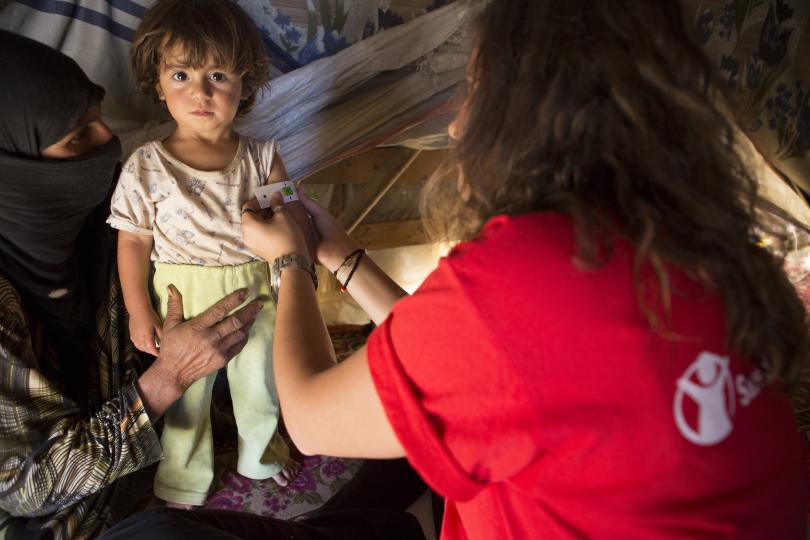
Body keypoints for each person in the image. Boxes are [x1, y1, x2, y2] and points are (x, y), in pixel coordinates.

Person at [101, 0, 809, 538]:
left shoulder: (516, 279)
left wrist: (287, 262)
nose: (454, 124)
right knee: (396, 455)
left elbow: (313, 421)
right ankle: (413, 509)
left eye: (472, 92)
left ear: (522, 117)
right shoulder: (691, 243)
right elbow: (462, 359)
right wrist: (338, 256)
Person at [0, 30, 263, 540]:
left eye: (98, 117)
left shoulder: (103, 219)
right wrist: (166, 381)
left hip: (154, 470)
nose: (108, 142)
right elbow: (24, 487)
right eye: (77, 138)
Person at [106, 0, 303, 508]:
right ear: (157, 82)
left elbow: (290, 219)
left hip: (254, 291)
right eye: (181, 74)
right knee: (185, 393)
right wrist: (137, 310)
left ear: (246, 83)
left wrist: (296, 275)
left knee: (262, 382)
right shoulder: (146, 163)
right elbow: (132, 240)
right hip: (179, 296)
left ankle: (261, 454)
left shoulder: (262, 156)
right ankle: (181, 478)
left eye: (217, 74)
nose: (200, 92)